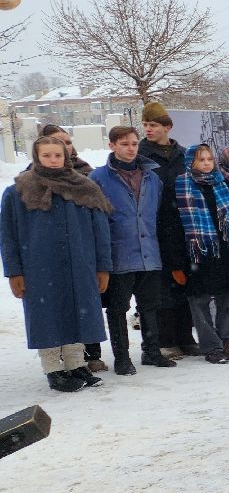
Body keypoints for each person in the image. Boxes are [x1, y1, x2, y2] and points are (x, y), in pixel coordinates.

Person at [1, 136, 112, 392]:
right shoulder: (18, 191)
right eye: (47, 155)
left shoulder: (85, 188)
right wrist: (14, 271)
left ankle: (76, 364)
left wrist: (102, 266)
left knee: (79, 313)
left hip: (80, 265)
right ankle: (53, 368)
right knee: (47, 316)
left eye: (57, 155)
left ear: (66, 156)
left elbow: (100, 232)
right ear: (36, 157)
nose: (53, 160)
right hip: (38, 267)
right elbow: (8, 235)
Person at [157, 144, 229, 365]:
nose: (206, 164)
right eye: (201, 160)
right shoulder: (178, 187)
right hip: (196, 256)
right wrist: (175, 264)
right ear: (191, 162)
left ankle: (227, 342)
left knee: (226, 301)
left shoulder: (227, 187)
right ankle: (211, 346)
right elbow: (170, 228)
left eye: (209, 159)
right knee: (199, 303)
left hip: (226, 255)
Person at [90, 125, 170, 374]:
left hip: (149, 253)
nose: (130, 148)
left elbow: (156, 214)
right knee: (117, 309)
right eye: (124, 144)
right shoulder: (98, 178)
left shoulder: (152, 177)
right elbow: (96, 220)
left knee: (149, 306)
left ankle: (152, 351)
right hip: (119, 254)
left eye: (134, 143)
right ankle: (122, 358)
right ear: (112, 145)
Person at [137, 101, 198, 358]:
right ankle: (164, 338)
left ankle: (185, 335)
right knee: (159, 286)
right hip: (154, 224)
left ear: (167, 127)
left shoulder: (183, 154)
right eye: (145, 125)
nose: (148, 130)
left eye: (153, 125)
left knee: (184, 281)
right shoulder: (141, 155)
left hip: (182, 223)